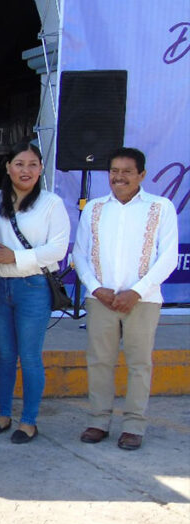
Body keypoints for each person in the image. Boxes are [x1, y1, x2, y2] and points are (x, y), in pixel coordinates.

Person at [73, 147, 178, 451]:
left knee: (139, 364)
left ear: (142, 175)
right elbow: (80, 254)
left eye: (127, 172)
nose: (119, 177)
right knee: (99, 362)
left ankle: (134, 426)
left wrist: (137, 291)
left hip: (142, 301)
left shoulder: (160, 207)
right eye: (114, 171)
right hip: (101, 299)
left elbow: (168, 257)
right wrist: (96, 288)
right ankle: (98, 421)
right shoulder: (94, 208)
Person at [0, 142, 70, 444]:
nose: (26, 170)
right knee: (4, 355)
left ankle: (29, 421)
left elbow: (58, 249)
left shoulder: (51, 203)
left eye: (33, 164)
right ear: (7, 167)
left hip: (33, 287)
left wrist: (14, 258)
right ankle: (3, 414)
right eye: (19, 164)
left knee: (30, 356)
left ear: (42, 169)